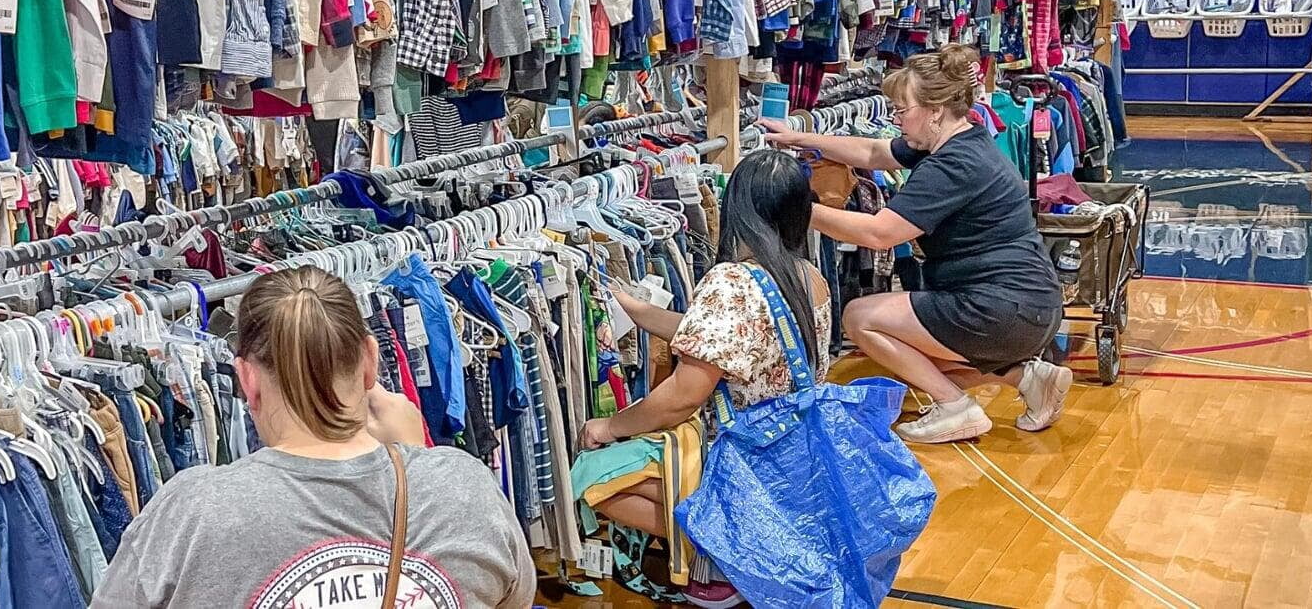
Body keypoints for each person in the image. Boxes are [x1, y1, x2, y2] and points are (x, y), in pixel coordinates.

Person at [91, 266, 536, 609]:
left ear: (246, 379)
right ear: (369, 361)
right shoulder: (465, 488)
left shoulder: (190, 515)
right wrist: (417, 461)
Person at [759, 44, 1071, 444]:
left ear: (935, 110)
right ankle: (1029, 378)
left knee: (860, 318)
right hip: (1030, 303)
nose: (895, 119)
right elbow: (872, 151)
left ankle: (955, 407)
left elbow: (879, 233)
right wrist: (798, 138)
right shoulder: (960, 141)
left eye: (902, 110)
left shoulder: (951, 165)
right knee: (914, 357)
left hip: (1001, 309)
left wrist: (794, 207)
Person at [574, 148, 831, 604]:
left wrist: (609, 427)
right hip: (794, 448)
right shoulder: (809, 277)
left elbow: (683, 395)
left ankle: (723, 547)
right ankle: (747, 544)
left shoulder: (731, 281)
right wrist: (640, 311)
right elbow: (733, 339)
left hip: (738, 453)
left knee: (594, 475)